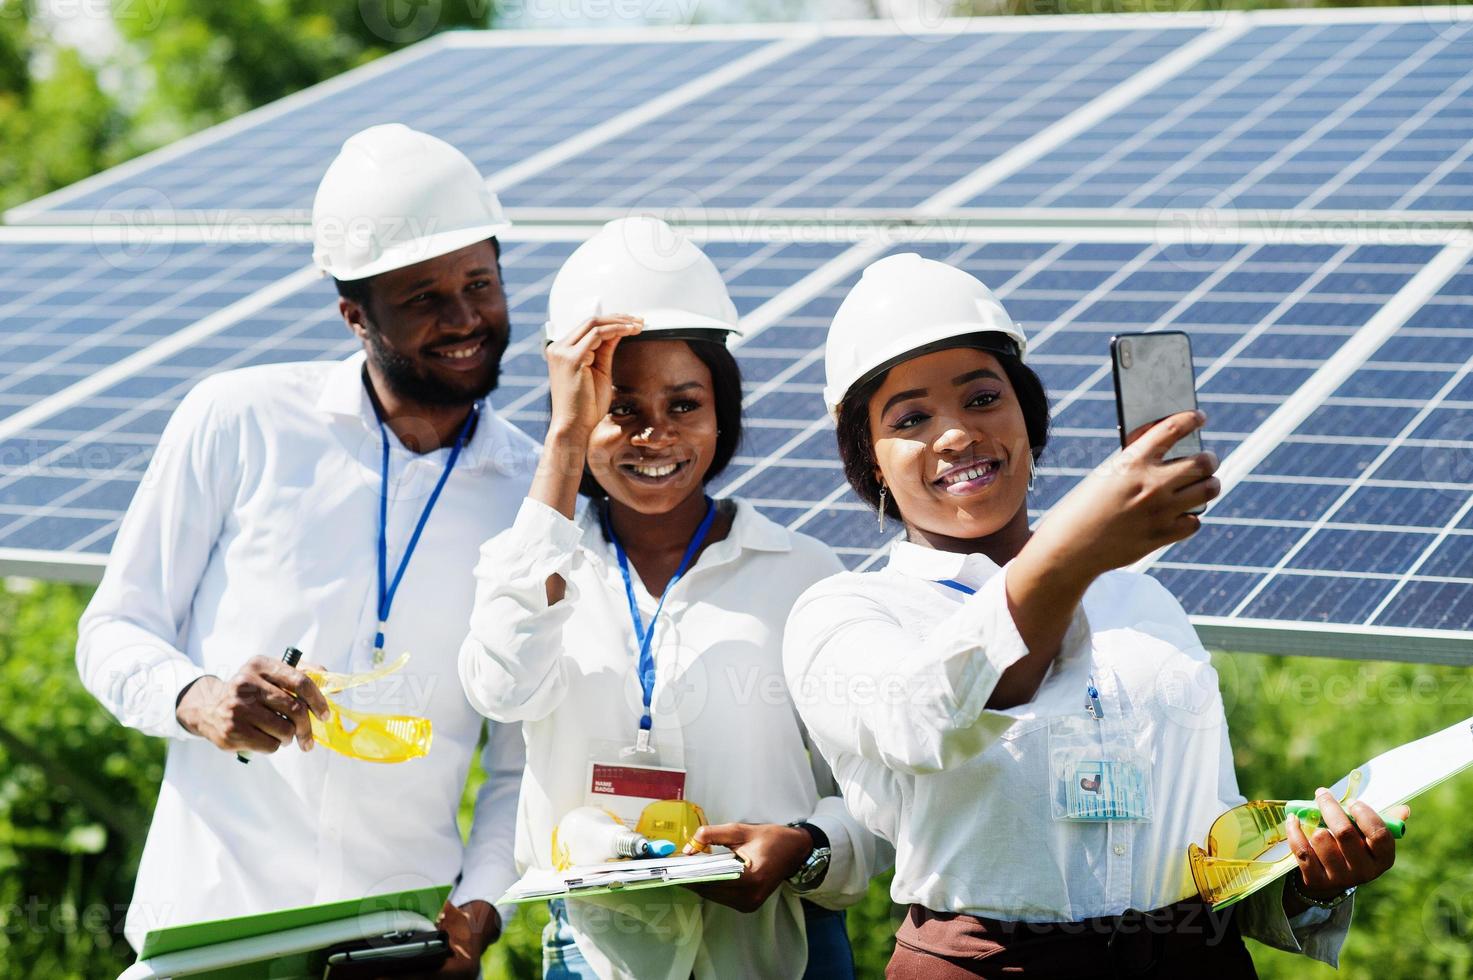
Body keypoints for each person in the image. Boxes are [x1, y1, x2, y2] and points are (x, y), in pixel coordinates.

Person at [782, 253, 1409, 979]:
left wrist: (1307, 877)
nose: (954, 434)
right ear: (870, 458)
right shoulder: (845, 614)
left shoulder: (1140, 601)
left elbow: (1209, 848)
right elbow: (930, 718)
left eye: (982, 398)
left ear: (1028, 417)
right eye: (911, 417)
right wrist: (1070, 554)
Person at [76, 124, 538, 973]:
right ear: (355, 315)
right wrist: (198, 696)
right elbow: (110, 632)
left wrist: (482, 904)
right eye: (425, 297)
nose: (465, 318)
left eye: (481, 282)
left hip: (398, 941)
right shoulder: (238, 420)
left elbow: (520, 759)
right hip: (209, 932)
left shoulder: (534, 496)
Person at [458, 217, 884, 980]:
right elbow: (500, 686)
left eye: (684, 405)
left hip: (779, 952)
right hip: (596, 957)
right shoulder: (532, 562)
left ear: (722, 414)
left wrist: (807, 847)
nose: (654, 435)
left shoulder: (805, 573)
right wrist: (562, 441)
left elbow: (875, 792)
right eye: (620, 408)